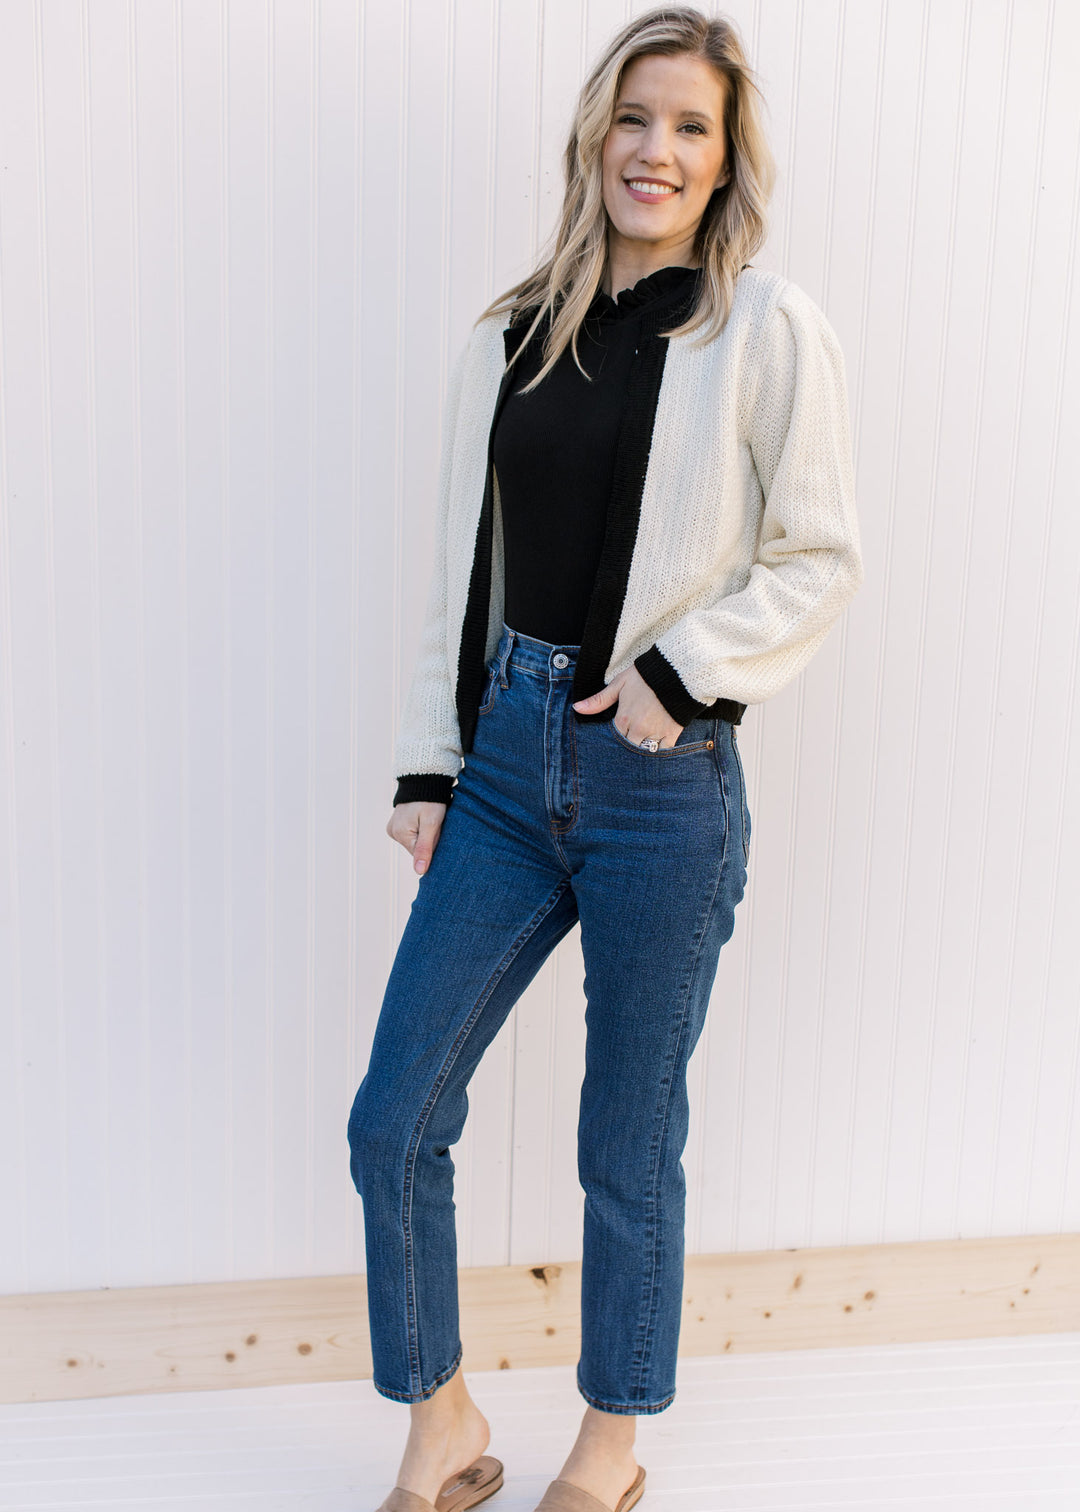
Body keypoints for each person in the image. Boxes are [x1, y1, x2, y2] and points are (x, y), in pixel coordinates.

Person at [349, 8, 862, 1511]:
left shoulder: (766, 328)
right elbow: (461, 556)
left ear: (725, 160)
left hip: (662, 790)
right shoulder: (512, 329)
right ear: (598, 135)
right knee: (397, 1119)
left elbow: (820, 555)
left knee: (626, 1145)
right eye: (637, 117)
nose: (658, 149)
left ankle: (610, 1449)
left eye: (691, 127)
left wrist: (681, 674)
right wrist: (429, 768)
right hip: (507, 766)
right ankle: (441, 1425)